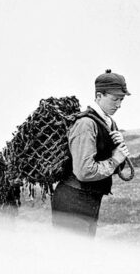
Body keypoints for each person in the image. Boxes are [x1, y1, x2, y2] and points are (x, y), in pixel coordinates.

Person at [51, 70, 134, 236]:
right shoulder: (86, 124)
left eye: (121, 100)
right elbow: (84, 172)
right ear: (99, 95)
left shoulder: (109, 122)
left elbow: (114, 162)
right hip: (72, 200)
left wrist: (117, 148)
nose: (118, 105)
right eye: (115, 99)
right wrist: (115, 160)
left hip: (90, 200)